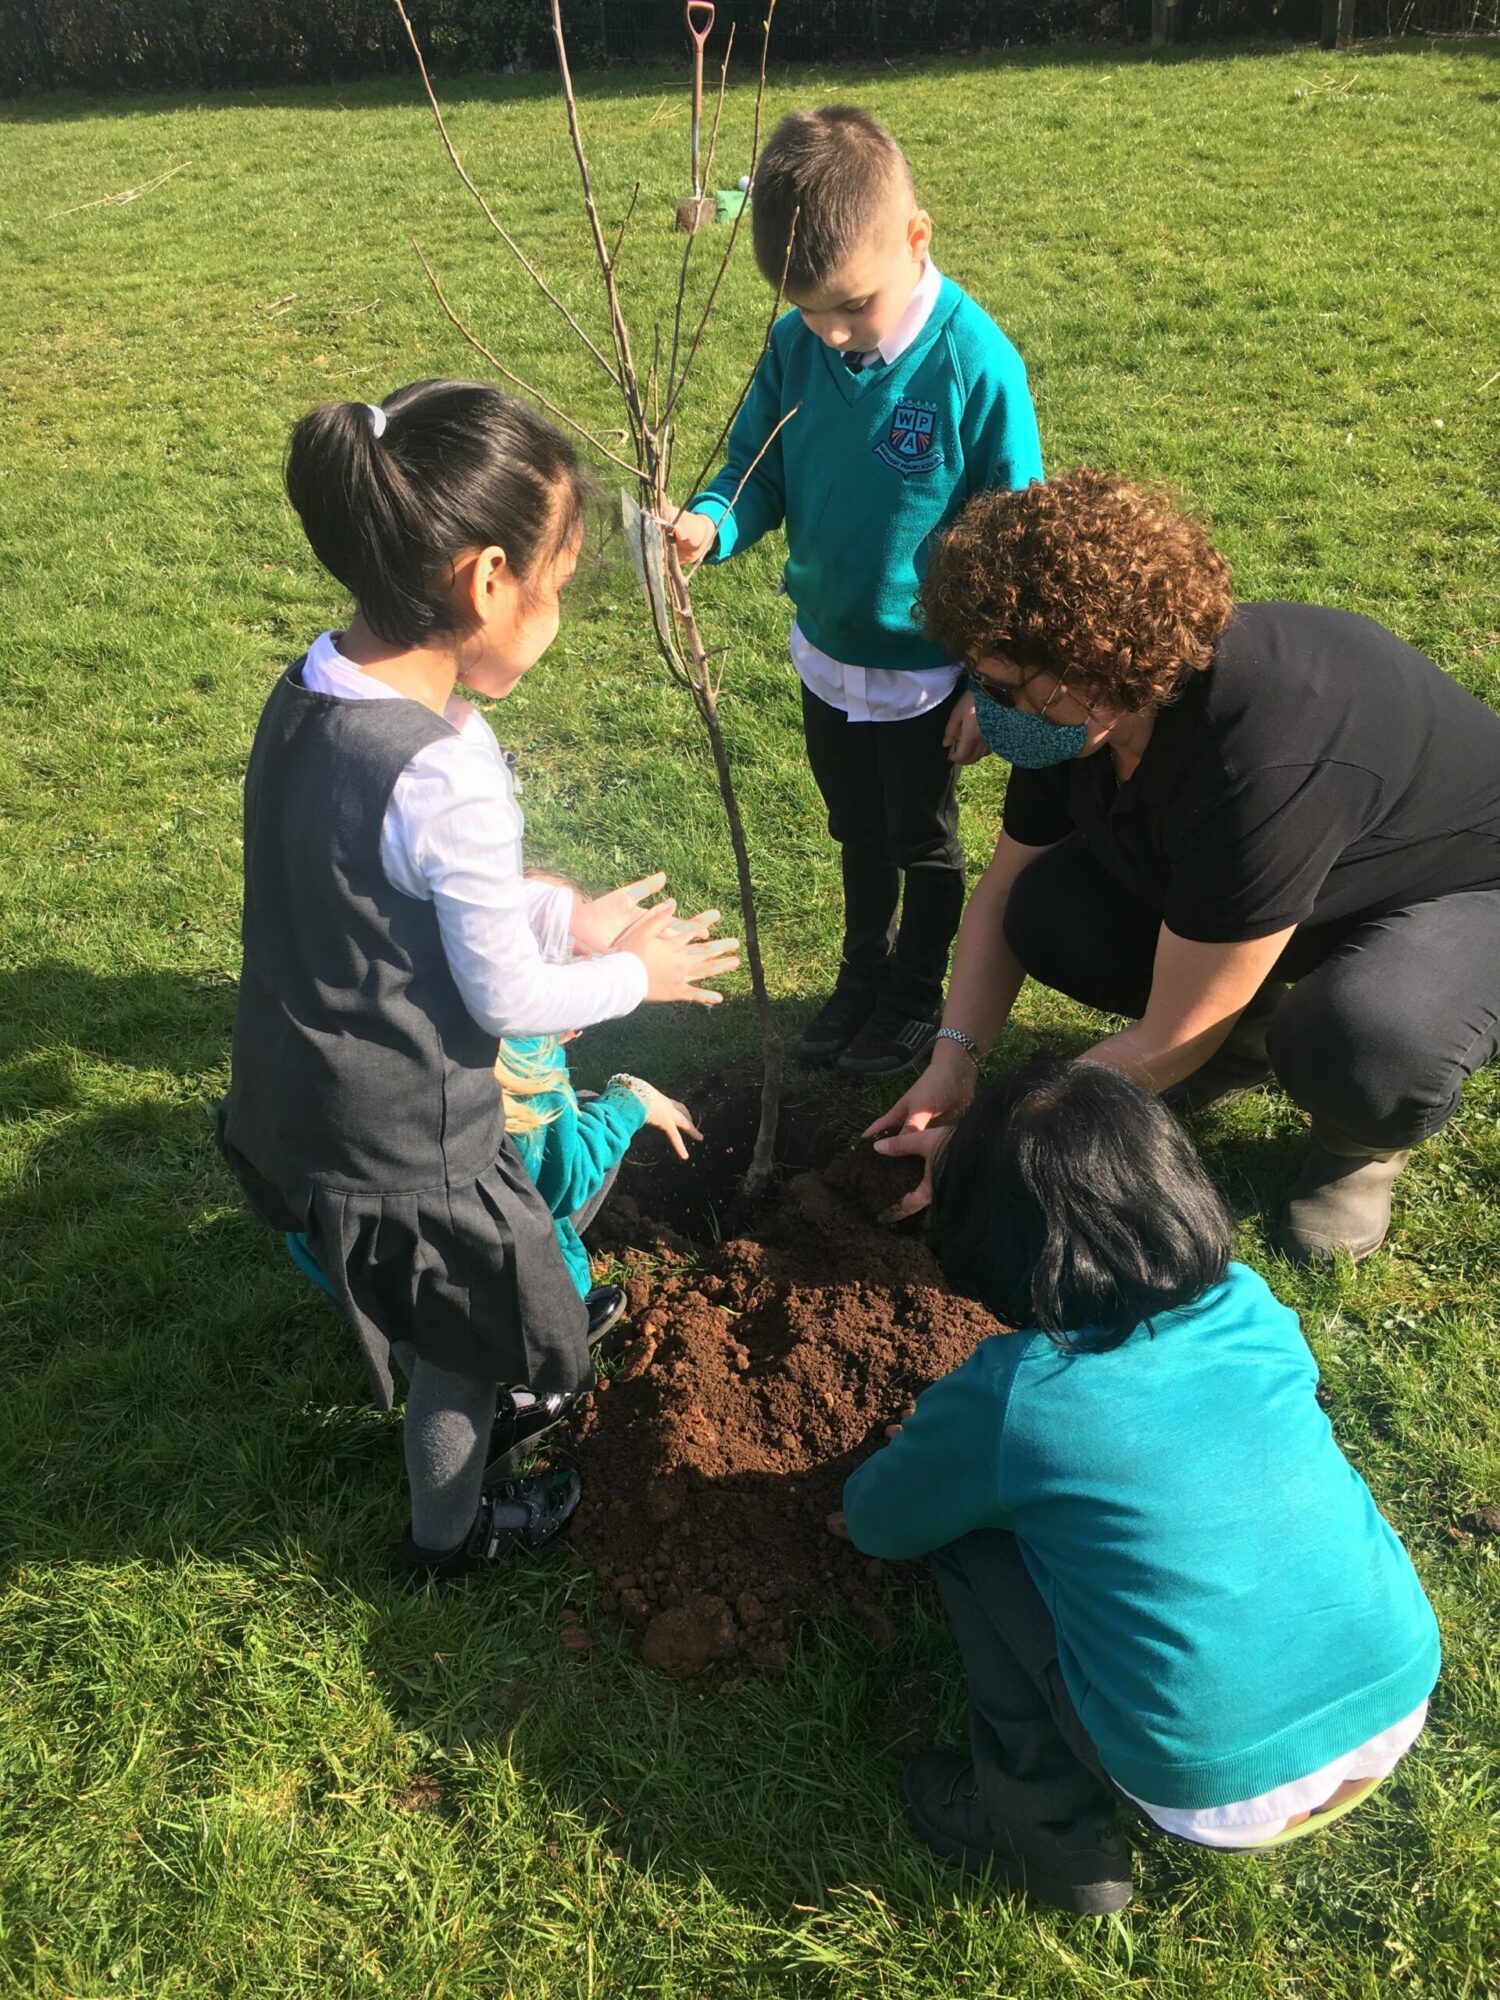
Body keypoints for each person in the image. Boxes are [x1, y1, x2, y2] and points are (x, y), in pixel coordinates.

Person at [217, 379, 738, 1582]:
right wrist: (628, 972)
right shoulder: (446, 769)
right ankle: (451, 1533)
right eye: (555, 590)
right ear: (488, 579)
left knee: (427, 1308)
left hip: (296, 1088)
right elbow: (506, 1003)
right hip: (403, 1134)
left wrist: (561, 910)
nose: (554, 616)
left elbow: (391, 895)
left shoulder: (310, 688)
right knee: (462, 1345)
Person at [842, 1060, 1440, 1914]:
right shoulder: (1251, 1304)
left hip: (1202, 1778)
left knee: (966, 1539)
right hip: (1397, 1689)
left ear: (982, 1246)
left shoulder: (1015, 1398)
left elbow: (877, 1522)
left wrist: (940, 1469)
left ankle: (1047, 1838)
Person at [868, 470, 1500, 1261]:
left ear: (1096, 665)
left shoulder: (1255, 760)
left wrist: (992, 1146)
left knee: (1364, 1038)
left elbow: (1176, 1028)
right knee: (1048, 911)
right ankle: (1247, 1039)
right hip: (1289, 868)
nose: (984, 708)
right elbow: (1000, 891)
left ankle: (1355, 1143)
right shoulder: (1065, 708)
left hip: (1464, 890)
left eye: (999, 685)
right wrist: (953, 1059)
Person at [671, 106, 1043, 1078]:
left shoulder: (976, 367)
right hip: (828, 655)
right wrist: (713, 519)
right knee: (855, 828)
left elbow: (1013, 547)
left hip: (929, 675)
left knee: (921, 838)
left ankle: (917, 991)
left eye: (852, 308)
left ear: (917, 238)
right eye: (812, 312)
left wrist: (988, 681)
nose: (833, 333)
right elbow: (757, 459)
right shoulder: (798, 346)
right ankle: (861, 971)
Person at [497, 1034, 701, 1296]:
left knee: (583, 1103)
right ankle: (565, 1297)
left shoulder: (448, 1050)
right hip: (509, 1297)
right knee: (583, 1134)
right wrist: (632, 1100)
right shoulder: (519, 1064)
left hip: (444, 1257)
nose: (578, 1032)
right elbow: (564, 1178)